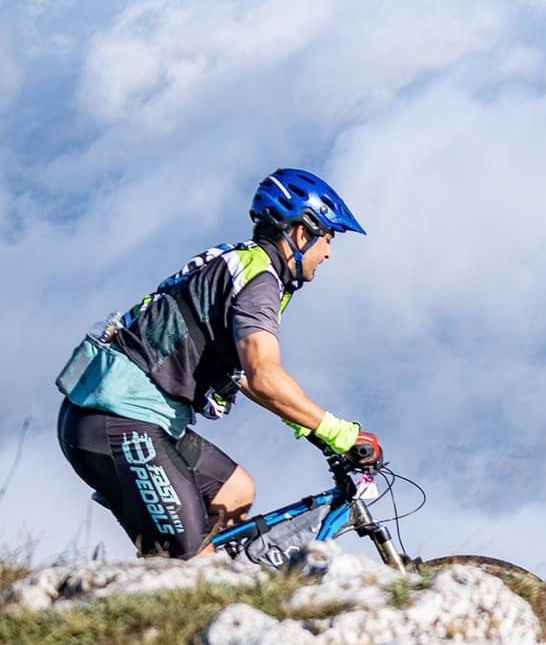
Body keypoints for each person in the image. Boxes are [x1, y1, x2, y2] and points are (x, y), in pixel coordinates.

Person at [54, 168, 383, 559]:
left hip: (131, 415)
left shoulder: (243, 264)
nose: (328, 252)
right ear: (300, 233)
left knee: (235, 492)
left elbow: (243, 374)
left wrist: (309, 427)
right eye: (328, 239)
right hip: (118, 420)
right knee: (192, 564)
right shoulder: (258, 279)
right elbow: (264, 375)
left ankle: (218, 588)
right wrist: (339, 433)